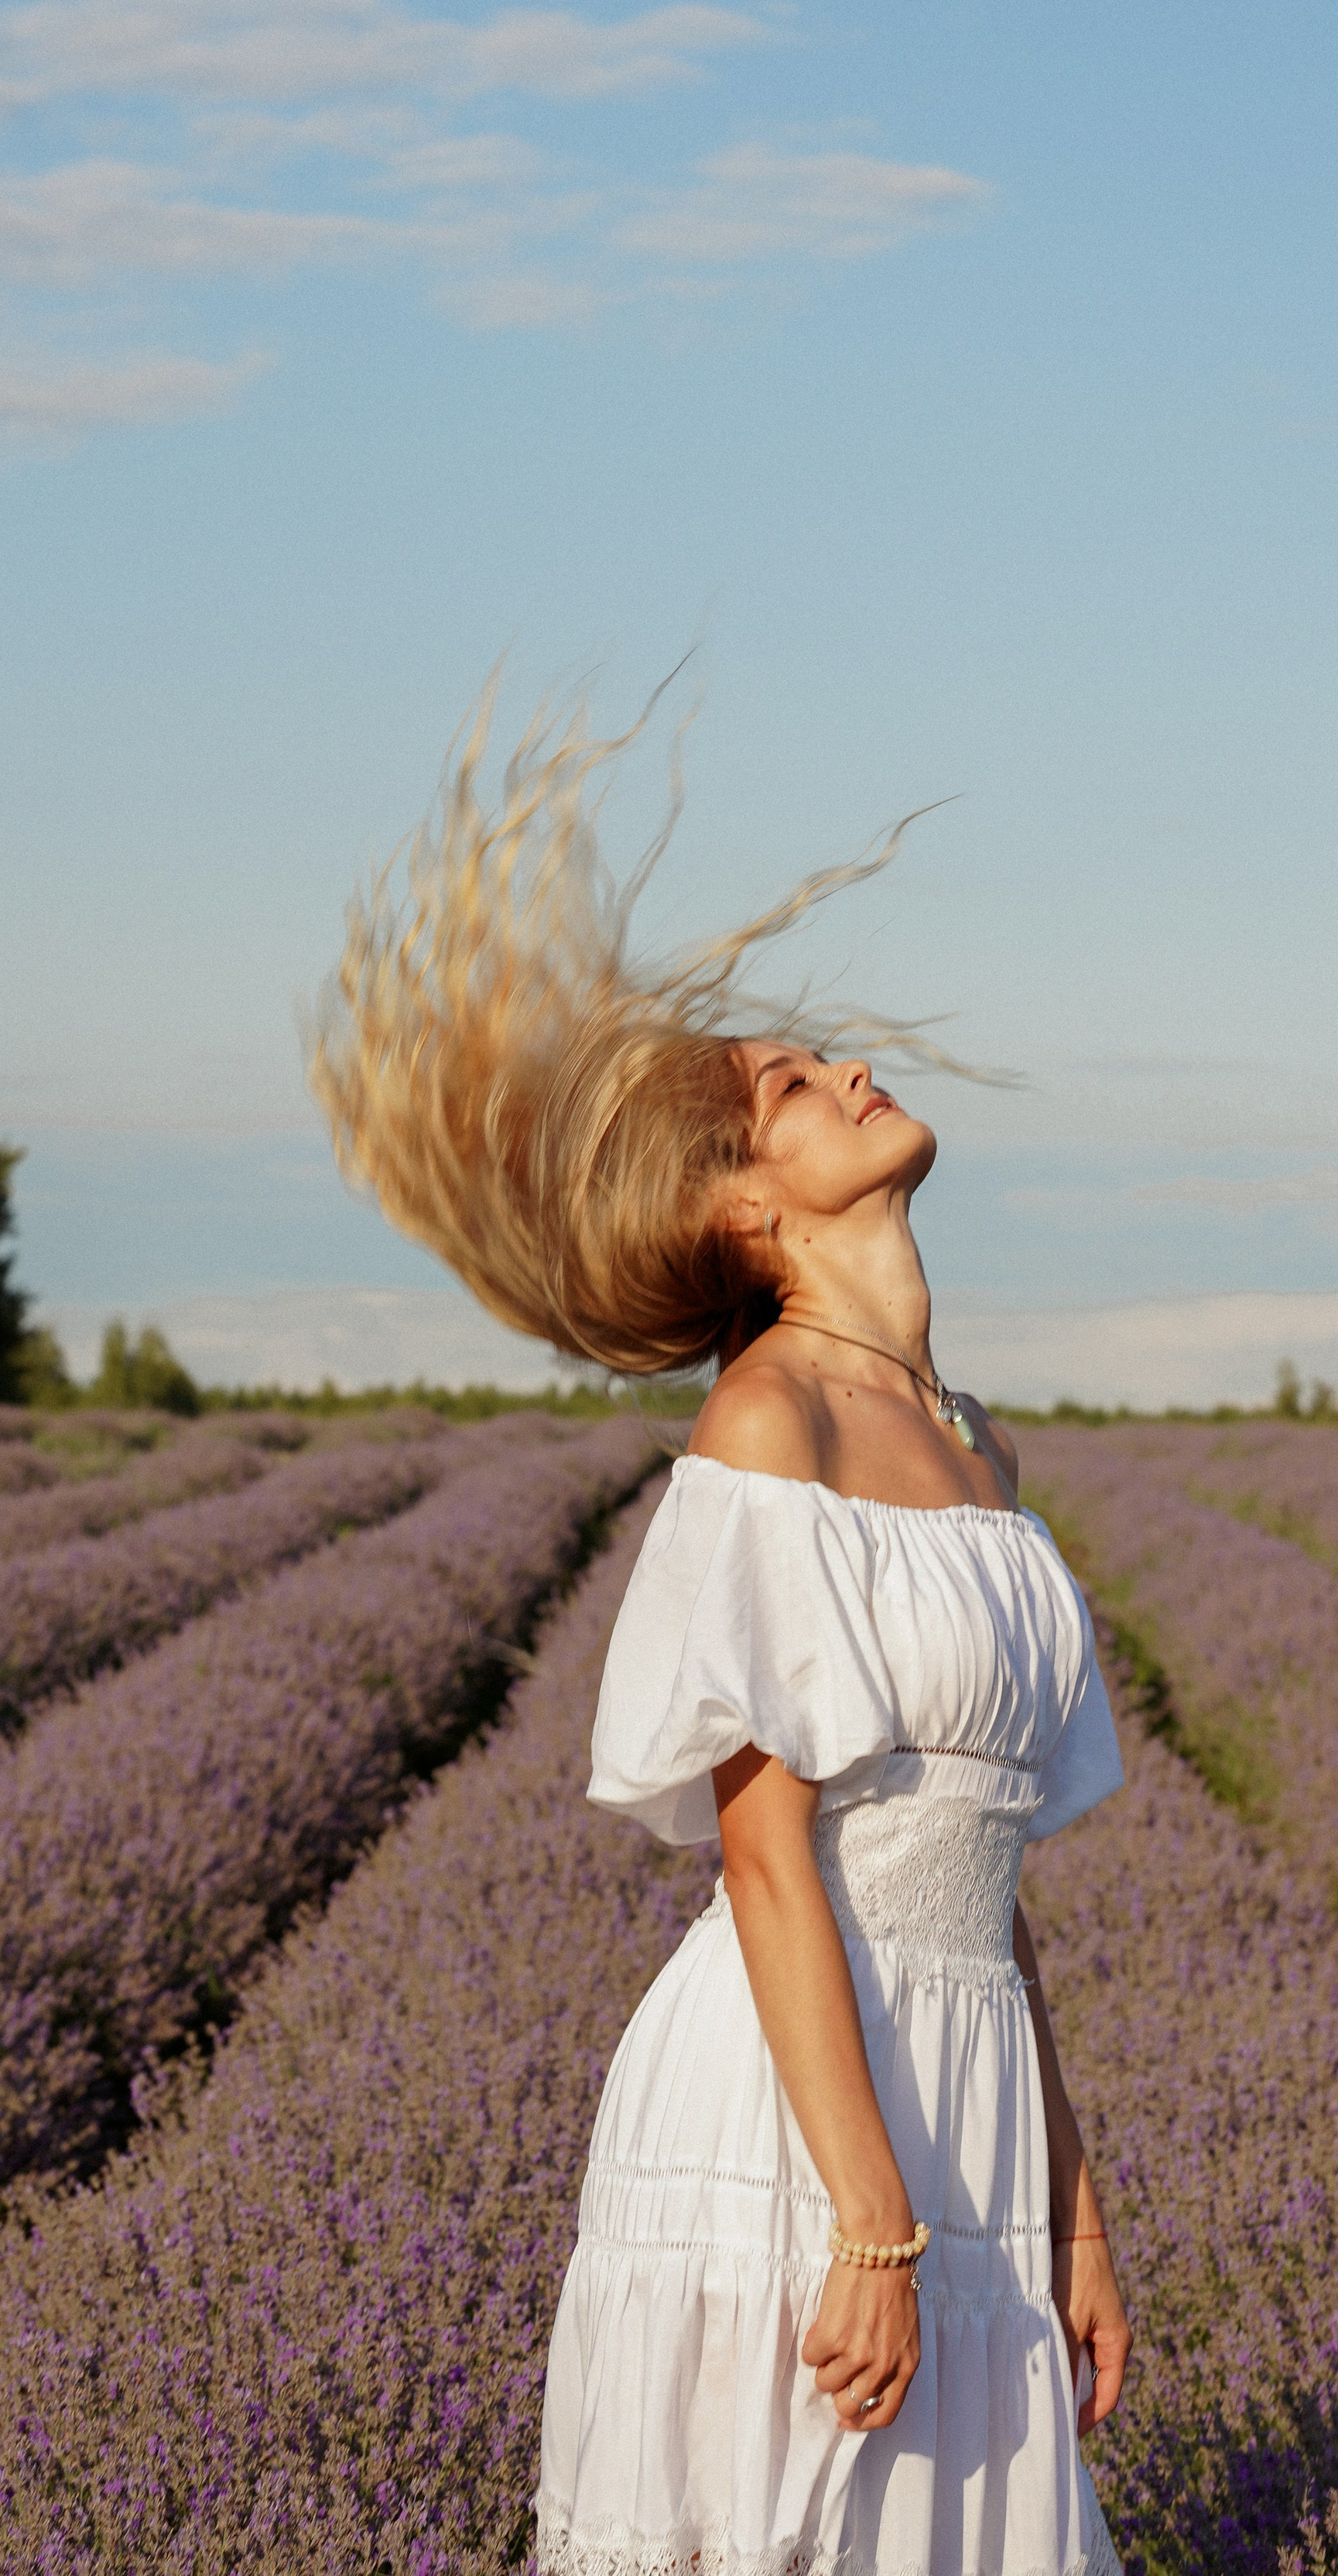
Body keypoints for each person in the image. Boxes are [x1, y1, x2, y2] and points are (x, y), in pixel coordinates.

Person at [312, 689, 1131, 2576]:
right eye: (789, 1086)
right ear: (747, 1208)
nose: (843, 1070)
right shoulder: (767, 1424)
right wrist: (865, 2216)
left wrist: (1074, 2214)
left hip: (971, 2091)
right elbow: (770, 1863)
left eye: (812, 1060)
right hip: (792, 2115)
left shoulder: (974, 1443)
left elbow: (982, 1888)